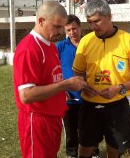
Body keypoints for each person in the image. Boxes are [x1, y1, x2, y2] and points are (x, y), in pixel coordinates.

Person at [72, 0, 130, 158]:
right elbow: (78, 73)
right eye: (89, 22)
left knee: (114, 150)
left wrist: (119, 88)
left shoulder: (128, 40)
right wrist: (84, 85)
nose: (93, 26)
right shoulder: (86, 41)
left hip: (117, 106)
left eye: (97, 21)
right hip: (90, 106)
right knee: (85, 149)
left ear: (109, 16)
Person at [13, 1, 87, 158]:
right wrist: (65, 85)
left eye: (62, 27)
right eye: (57, 26)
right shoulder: (29, 48)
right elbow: (26, 95)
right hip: (37, 119)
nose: (61, 31)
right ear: (41, 21)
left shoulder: (51, 46)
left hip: (53, 117)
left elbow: (52, 79)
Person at [56, 15, 100, 158]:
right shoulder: (60, 47)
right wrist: (62, 89)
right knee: (71, 130)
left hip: (90, 96)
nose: (72, 32)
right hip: (69, 98)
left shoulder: (91, 44)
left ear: (80, 27)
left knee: (90, 128)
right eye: (68, 30)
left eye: (74, 28)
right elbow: (53, 69)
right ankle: (71, 154)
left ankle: (94, 153)